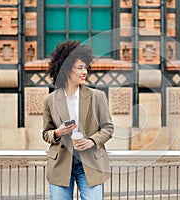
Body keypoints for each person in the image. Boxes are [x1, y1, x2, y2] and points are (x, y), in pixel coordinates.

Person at [42, 40, 114, 200]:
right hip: (61, 164)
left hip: (89, 163)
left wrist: (92, 141)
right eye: (80, 68)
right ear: (67, 69)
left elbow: (108, 128)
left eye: (86, 67)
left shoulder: (97, 97)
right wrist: (58, 132)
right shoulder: (50, 100)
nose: (85, 72)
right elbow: (46, 133)